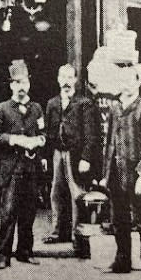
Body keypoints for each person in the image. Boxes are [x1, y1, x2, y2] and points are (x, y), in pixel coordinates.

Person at [101, 62, 141, 280]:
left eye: (131, 80)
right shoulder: (114, 108)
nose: (126, 84)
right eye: (123, 80)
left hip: (137, 175)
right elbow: (109, 142)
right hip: (116, 174)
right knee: (119, 220)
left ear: (138, 82)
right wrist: (105, 175)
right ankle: (122, 261)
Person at [0, 59, 46, 270]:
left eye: (25, 82)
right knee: (9, 212)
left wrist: (38, 142)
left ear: (29, 84)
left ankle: (25, 252)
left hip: (31, 168)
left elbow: (43, 134)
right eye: (17, 82)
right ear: (11, 85)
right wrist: (15, 140)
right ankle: (3, 256)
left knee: (29, 213)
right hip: (11, 169)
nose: (21, 87)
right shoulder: (1, 109)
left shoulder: (37, 108)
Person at [43, 63, 99, 247]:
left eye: (69, 77)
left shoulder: (84, 103)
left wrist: (86, 158)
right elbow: (48, 132)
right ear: (58, 79)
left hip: (76, 155)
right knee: (56, 193)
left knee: (77, 194)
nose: (66, 81)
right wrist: (45, 155)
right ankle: (58, 231)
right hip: (58, 153)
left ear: (75, 80)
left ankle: (77, 236)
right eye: (62, 77)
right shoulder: (52, 103)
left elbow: (91, 135)